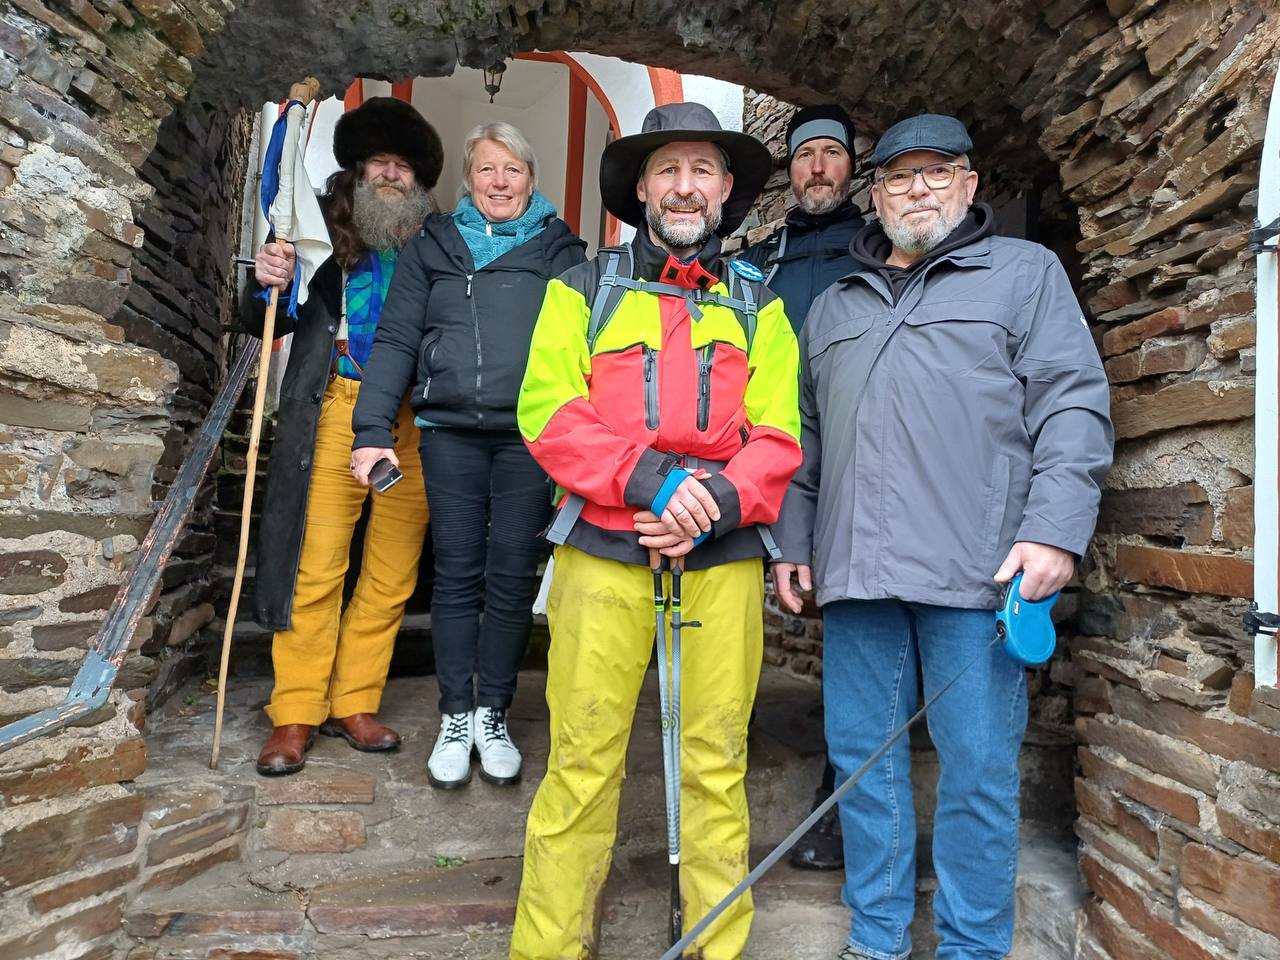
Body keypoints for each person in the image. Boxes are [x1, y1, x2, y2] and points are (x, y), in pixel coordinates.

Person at [771, 114, 1113, 960]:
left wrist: (1055, 530)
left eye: (936, 173)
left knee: (977, 770)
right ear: (874, 193)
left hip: (980, 571)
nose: (916, 190)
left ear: (969, 184)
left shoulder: (1024, 275)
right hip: (855, 572)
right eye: (897, 176)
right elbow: (805, 437)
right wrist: (796, 543)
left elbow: (1072, 402)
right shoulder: (835, 304)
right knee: (861, 764)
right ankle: (877, 939)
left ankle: (970, 948)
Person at [510, 102, 801, 960]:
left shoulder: (762, 307)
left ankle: (717, 947)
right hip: (602, 549)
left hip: (722, 556)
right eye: (668, 170)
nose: (685, 187)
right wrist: (656, 482)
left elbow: (779, 434)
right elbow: (548, 410)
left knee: (716, 765)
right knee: (581, 765)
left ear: (726, 191)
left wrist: (704, 504)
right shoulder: (579, 291)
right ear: (640, 188)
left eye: (702, 171)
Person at [351, 122, 586, 789]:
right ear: (468, 180)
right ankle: (456, 714)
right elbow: (396, 338)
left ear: (532, 180)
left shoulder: (560, 250)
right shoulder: (434, 244)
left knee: (512, 578)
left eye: (514, 169)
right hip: (449, 432)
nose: (501, 182)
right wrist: (372, 429)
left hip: (527, 437)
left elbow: (583, 347)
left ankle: (493, 713)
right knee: (455, 576)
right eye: (487, 169)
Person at [248, 97, 442, 776]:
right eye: (380, 164)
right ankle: (295, 710)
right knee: (317, 567)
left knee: (391, 574)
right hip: (337, 407)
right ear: (358, 173)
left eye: (403, 167)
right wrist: (263, 282)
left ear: (417, 182)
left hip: (414, 420)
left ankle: (354, 700)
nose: (391, 176)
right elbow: (267, 319)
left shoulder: (440, 243)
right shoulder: (319, 234)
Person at [741, 102, 864, 872]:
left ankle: (838, 799)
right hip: (762, 450)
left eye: (831, 153)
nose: (817, 167)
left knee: (854, 621)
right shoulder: (763, 256)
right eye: (805, 155)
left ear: (853, 166)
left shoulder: (879, 247)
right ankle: (721, 743)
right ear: (789, 170)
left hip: (852, 448)